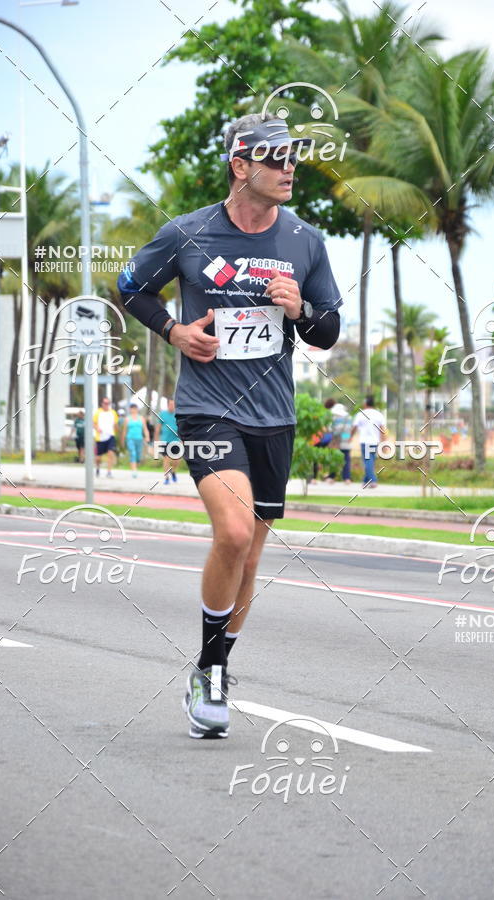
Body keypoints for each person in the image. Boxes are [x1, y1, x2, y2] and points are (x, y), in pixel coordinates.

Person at [117, 113, 342, 739]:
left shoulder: (305, 240)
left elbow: (327, 332)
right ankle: (212, 675)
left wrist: (301, 311)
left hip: (275, 415)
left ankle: (210, 667)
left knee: (252, 553)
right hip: (207, 407)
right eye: (273, 158)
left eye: (292, 156)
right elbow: (130, 287)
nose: (288, 167)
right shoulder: (186, 235)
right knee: (235, 532)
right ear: (240, 166)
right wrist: (173, 330)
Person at [351, 395, 387, 488]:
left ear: (365, 403)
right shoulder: (379, 414)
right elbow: (383, 430)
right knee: (370, 461)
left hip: (365, 441)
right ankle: (365, 480)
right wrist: (384, 443)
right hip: (375, 442)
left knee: (368, 461)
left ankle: (373, 481)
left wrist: (349, 437)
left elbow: (354, 428)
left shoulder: (360, 414)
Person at [156, 399, 180, 485]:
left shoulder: (178, 415)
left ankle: (173, 472)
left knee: (176, 460)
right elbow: (158, 428)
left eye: (173, 404)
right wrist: (156, 440)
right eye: (170, 404)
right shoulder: (163, 414)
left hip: (176, 441)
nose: (172, 406)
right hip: (165, 440)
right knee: (166, 459)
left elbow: (182, 427)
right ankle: (166, 478)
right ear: (167, 405)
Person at [93, 396, 118, 478]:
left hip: (110, 435)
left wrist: (117, 430)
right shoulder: (98, 413)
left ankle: (109, 472)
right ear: (102, 404)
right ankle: (97, 467)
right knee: (98, 458)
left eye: (108, 403)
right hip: (100, 438)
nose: (107, 405)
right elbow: (94, 423)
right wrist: (97, 429)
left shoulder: (113, 412)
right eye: (105, 403)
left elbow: (115, 424)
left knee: (110, 453)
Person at [123, 402, 149, 478]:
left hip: (139, 439)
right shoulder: (127, 419)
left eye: (135, 409)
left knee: (138, 456)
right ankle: (134, 471)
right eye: (132, 409)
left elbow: (145, 429)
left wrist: (147, 436)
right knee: (133, 453)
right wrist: (123, 440)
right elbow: (125, 430)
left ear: (137, 409)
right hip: (130, 438)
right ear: (130, 410)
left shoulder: (141, 418)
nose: (133, 410)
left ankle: (135, 468)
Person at [331, 402, 354, 483]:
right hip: (346, 441)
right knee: (346, 460)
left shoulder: (335, 418)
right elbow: (350, 430)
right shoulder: (349, 418)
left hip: (338, 441)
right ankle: (347, 478)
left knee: (335, 459)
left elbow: (335, 431)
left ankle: (332, 477)